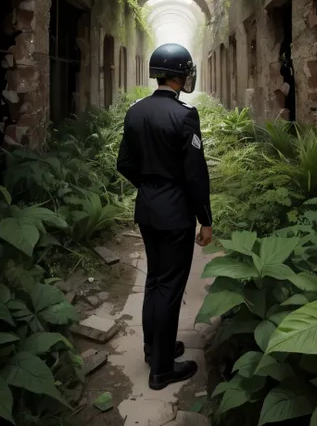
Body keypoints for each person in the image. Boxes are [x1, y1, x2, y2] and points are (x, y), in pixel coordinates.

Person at [117, 43, 213, 391]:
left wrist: (151, 186)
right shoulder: (185, 115)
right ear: (180, 75)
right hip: (175, 215)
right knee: (170, 288)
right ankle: (162, 370)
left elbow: (124, 163)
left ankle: (152, 347)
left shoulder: (135, 111)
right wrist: (205, 218)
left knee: (155, 280)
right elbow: (194, 174)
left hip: (147, 208)